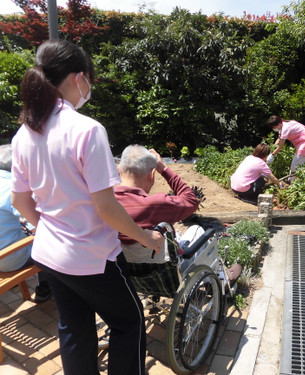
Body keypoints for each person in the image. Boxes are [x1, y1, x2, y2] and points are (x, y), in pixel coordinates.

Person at [10, 39, 163, 375]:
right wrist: (146, 238)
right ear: (78, 77)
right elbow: (107, 208)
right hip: (92, 257)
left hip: (49, 253)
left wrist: (52, 227)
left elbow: (20, 200)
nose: (89, 86)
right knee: (129, 322)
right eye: (89, 79)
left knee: (74, 328)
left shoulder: (24, 133)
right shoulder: (86, 130)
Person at [114, 145, 200, 263]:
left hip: (124, 274)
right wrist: (163, 169)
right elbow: (192, 200)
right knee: (197, 230)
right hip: (164, 271)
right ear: (152, 175)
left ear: (118, 171)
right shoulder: (157, 205)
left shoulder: (103, 206)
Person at [0, 144, 51, 303]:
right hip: (8, 260)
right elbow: (37, 224)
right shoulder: (10, 187)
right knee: (48, 239)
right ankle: (45, 287)